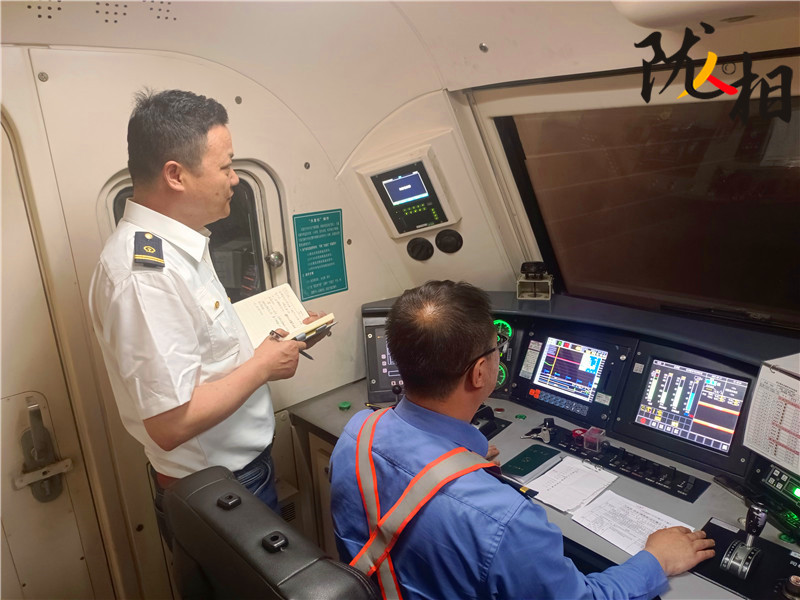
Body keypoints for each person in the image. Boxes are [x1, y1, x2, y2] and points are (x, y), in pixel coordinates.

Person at [329, 280, 715, 600]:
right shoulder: (505, 520)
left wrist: (461, 465)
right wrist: (656, 560)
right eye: (495, 349)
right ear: (480, 373)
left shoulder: (357, 434)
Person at [89, 89, 325, 517]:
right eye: (225, 166)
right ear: (175, 175)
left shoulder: (178, 243)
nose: (235, 179)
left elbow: (202, 351)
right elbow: (170, 423)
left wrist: (281, 339)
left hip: (235, 475)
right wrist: (264, 366)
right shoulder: (146, 275)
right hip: (221, 489)